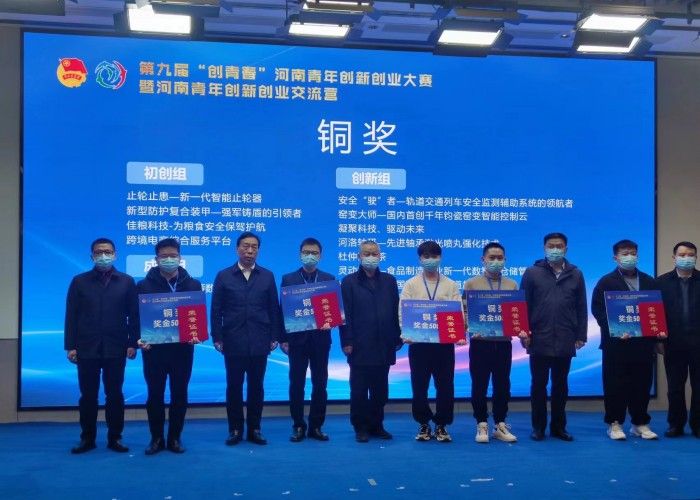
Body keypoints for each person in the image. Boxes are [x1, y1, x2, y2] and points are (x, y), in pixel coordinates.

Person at [64, 237, 138, 454]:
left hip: (116, 347)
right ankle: (87, 438)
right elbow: (71, 316)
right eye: (98, 252)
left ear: (115, 254)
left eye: (107, 251)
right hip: (86, 347)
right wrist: (71, 346)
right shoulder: (79, 281)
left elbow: (134, 316)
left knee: (114, 394)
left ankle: (115, 438)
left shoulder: (126, 281)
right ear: (92, 256)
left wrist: (132, 343)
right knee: (88, 396)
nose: (103, 255)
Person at [211, 232, 282, 446]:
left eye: (254, 247)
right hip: (233, 340)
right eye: (245, 246)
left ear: (258, 250)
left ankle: (254, 429)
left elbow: (273, 308)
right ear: (237, 249)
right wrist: (217, 337)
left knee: (256, 387)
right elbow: (216, 310)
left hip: (260, 340)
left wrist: (275, 335)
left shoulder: (267, 276)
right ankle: (235, 429)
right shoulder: (224, 276)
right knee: (234, 387)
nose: (249, 251)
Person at [136, 238, 202, 454]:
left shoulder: (192, 285)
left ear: (180, 258)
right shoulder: (143, 286)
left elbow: (196, 318)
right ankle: (156, 438)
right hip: (154, 351)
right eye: (164, 256)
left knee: (179, 394)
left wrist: (197, 334)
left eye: (173, 256)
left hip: (183, 351)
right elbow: (136, 318)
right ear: (156, 259)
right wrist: (138, 339)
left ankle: (175, 438)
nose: (169, 259)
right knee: (154, 394)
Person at [591, 239, 661, 441]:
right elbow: (597, 310)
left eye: (633, 253)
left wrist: (658, 331)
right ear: (616, 257)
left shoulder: (649, 281)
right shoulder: (606, 282)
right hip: (617, 344)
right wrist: (614, 329)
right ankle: (615, 423)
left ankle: (640, 423)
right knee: (615, 385)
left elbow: (656, 311)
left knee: (642, 384)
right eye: (625, 253)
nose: (629, 257)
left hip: (643, 344)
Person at [521, 232, 587, 441]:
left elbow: (581, 307)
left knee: (561, 385)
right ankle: (538, 427)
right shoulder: (532, 273)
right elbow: (523, 305)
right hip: (538, 337)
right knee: (538, 385)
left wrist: (581, 334)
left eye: (559, 246)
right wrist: (524, 333)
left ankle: (559, 427)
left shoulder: (576, 274)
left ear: (566, 249)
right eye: (551, 246)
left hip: (566, 337)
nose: (555, 249)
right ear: (544, 248)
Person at [400, 241, 462, 443]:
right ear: (420, 259)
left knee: (445, 386)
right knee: (419, 386)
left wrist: (458, 333)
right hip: (418, 345)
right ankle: (424, 423)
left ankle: (442, 424)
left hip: (444, 346)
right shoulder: (411, 284)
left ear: (440, 258)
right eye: (426, 256)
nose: (430, 260)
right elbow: (403, 311)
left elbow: (458, 311)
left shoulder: (450, 284)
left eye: (434, 256)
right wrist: (405, 332)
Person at [340, 240, 402, 443]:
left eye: (374, 253)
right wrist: (347, 341)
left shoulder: (389, 281)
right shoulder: (349, 282)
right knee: (359, 391)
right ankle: (360, 427)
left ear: (380, 256)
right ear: (359, 257)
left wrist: (398, 336)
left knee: (380, 391)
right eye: (366, 253)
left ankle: (377, 425)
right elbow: (345, 315)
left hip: (384, 344)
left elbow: (395, 310)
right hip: (359, 345)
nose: (371, 257)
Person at [464, 242, 521, 444]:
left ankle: (500, 424)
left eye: (499, 258)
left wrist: (520, 329)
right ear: (483, 260)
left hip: (503, 344)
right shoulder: (471, 284)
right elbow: (465, 312)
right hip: (480, 344)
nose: (496, 261)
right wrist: (468, 327)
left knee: (502, 385)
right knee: (479, 385)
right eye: (492, 258)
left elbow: (516, 314)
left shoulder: (512, 285)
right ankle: (481, 423)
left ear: (505, 260)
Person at [280, 237, 335, 442]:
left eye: (314, 253)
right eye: (306, 252)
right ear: (300, 254)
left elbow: (333, 311)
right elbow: (282, 310)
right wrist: (283, 338)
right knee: (296, 384)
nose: (310, 256)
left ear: (320, 256)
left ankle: (316, 426)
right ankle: (298, 425)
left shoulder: (328, 279)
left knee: (320, 385)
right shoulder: (289, 279)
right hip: (297, 341)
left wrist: (332, 319)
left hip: (321, 340)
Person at [657, 241, 700, 438]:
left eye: (690, 255)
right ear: (674, 257)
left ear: (696, 257)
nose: (686, 258)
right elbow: (654, 314)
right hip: (673, 343)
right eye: (682, 255)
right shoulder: (661, 282)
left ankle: (698, 425)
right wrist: (657, 340)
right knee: (675, 387)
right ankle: (676, 424)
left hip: (698, 343)